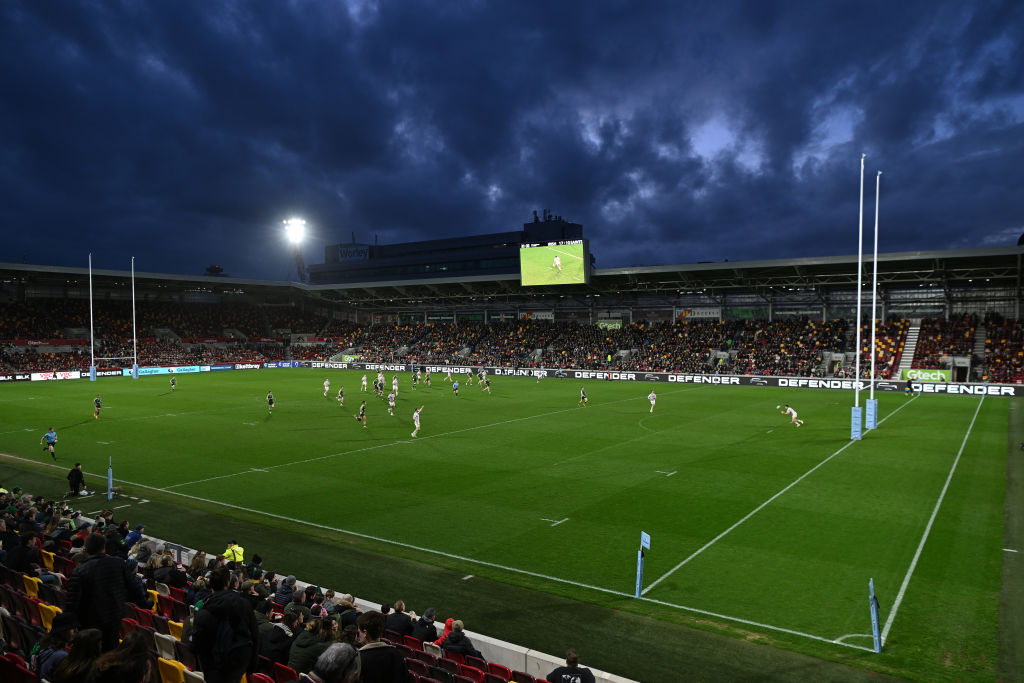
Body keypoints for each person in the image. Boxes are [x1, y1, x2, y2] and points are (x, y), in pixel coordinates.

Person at [65, 532, 145, 651]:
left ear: (86, 548)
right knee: (109, 653)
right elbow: (135, 588)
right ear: (103, 547)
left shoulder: (79, 571)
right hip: (112, 620)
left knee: (90, 654)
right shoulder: (118, 563)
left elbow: (71, 603)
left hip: (89, 622)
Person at [190, 566, 259, 683]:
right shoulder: (244, 604)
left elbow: (195, 645)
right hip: (234, 665)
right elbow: (255, 636)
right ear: (228, 583)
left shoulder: (204, 610)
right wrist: (251, 666)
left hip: (215, 667)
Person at [356, 611, 408, 682]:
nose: (358, 635)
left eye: (359, 632)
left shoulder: (358, 659)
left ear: (365, 633)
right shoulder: (397, 654)